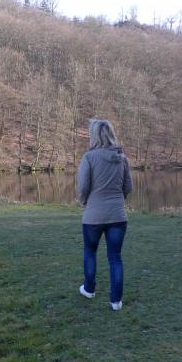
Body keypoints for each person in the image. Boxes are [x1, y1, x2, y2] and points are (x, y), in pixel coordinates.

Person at [76, 119, 133, 311]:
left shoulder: (89, 158)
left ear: (94, 136)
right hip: (118, 216)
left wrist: (84, 202)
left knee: (90, 252)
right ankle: (116, 301)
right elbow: (128, 187)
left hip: (93, 216)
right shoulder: (122, 158)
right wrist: (117, 201)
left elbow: (83, 187)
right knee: (115, 257)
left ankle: (89, 289)